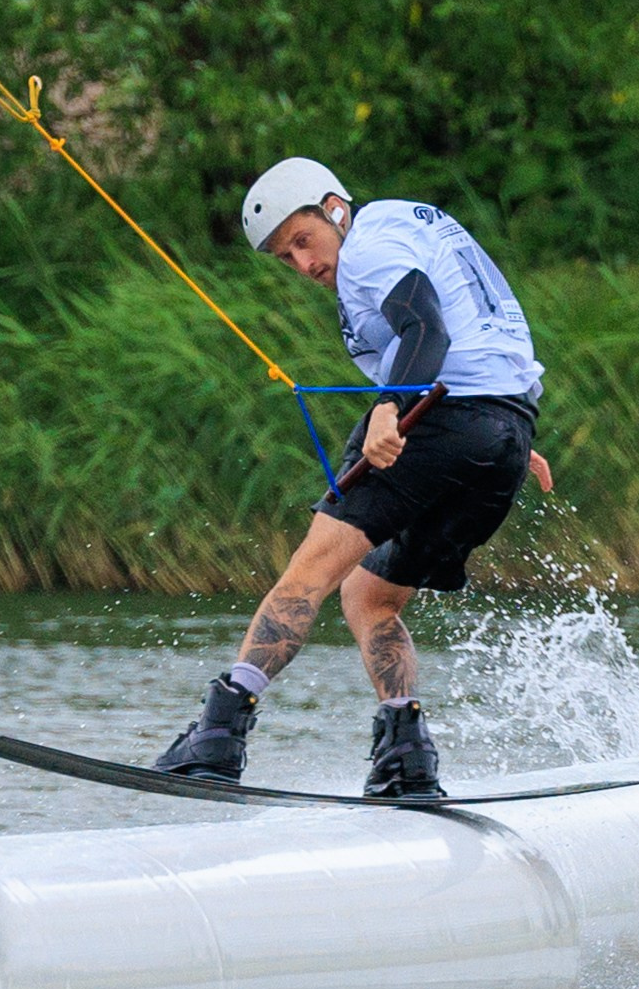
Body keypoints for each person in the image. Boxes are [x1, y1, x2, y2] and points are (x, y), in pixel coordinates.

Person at [155, 161, 553, 801]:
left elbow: (426, 324)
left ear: (335, 208)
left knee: (310, 572)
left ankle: (218, 736)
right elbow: (482, 324)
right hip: (502, 430)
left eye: (303, 240)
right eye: (286, 257)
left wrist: (391, 407)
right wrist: (506, 441)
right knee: (371, 597)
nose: (303, 264)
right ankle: (406, 752)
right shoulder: (414, 224)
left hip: (434, 417)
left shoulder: (370, 244)